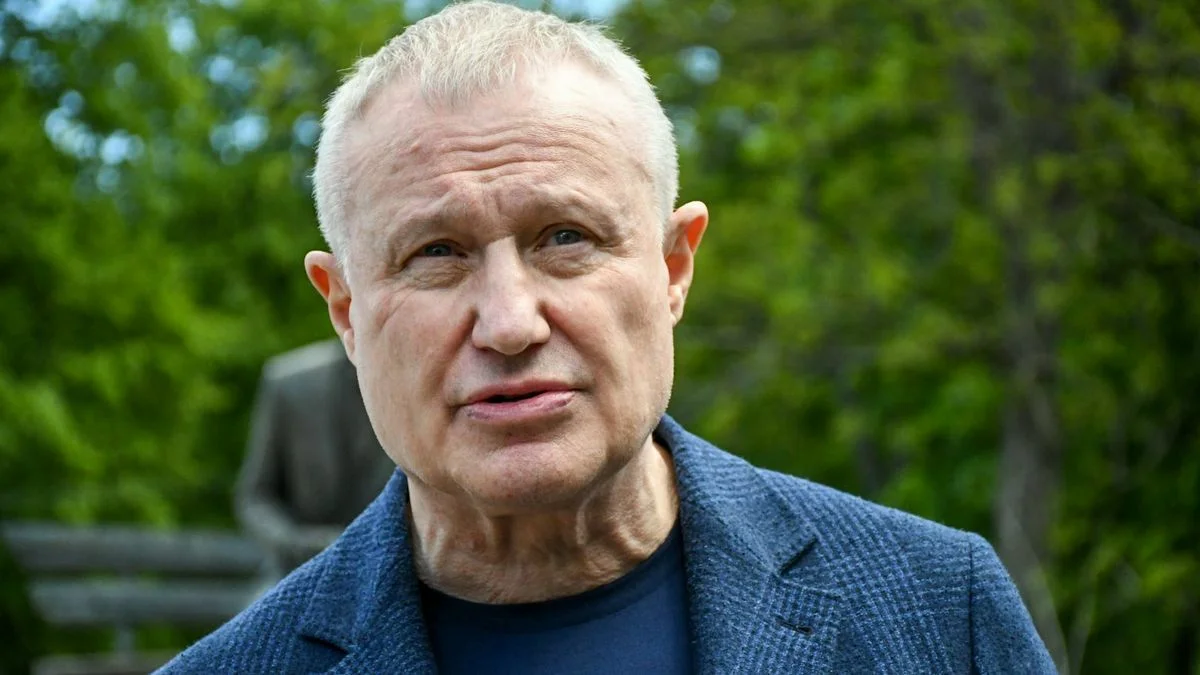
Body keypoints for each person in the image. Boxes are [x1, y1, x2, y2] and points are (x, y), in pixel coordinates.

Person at [163, 2, 1056, 672]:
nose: (510, 322)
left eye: (566, 238)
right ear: (346, 310)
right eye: (436, 253)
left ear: (673, 267)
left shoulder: (941, 614)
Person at [236, 338, 395, 579]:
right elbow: (256, 498)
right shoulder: (293, 385)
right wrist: (293, 542)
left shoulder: (416, 383)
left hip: (389, 569)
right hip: (299, 569)